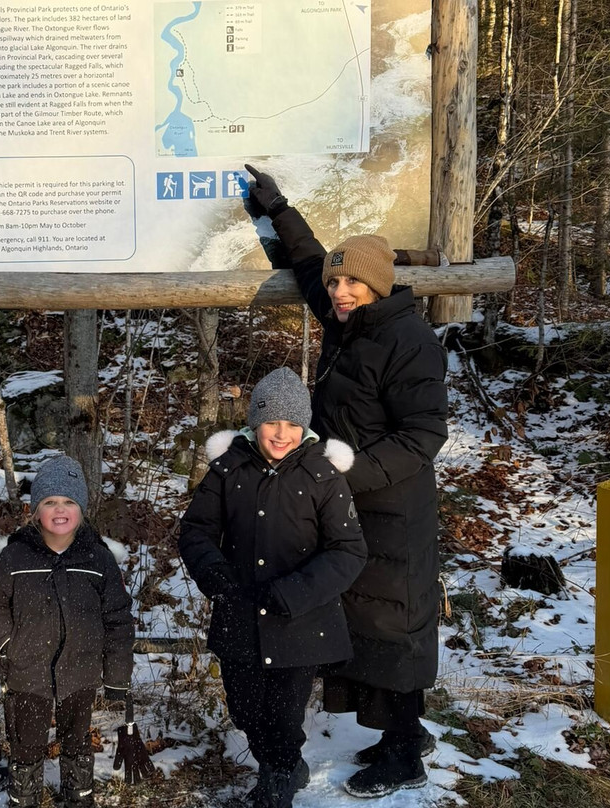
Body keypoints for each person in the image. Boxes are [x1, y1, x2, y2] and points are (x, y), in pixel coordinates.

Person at [244, 164, 449, 799]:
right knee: (366, 622)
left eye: (353, 281)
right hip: (351, 501)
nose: (340, 289)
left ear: (379, 285)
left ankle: (404, 751)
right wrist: (277, 209)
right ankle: (397, 734)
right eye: (338, 281)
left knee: (397, 622)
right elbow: (308, 262)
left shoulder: (409, 340)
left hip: (394, 503)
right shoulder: (347, 321)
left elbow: (424, 435)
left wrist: (349, 469)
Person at [179, 367, 367, 808]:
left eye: (291, 424)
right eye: (271, 422)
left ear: (304, 427)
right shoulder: (228, 470)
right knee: (245, 707)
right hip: (239, 610)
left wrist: (295, 592)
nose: (280, 434)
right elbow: (195, 531)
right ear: (253, 422)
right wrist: (216, 577)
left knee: (283, 712)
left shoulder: (324, 476)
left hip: (300, 620)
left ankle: (278, 779)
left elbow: (348, 550)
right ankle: (283, 763)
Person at [0, 455, 135, 808]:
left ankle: (78, 797)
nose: (59, 510)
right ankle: (24, 797)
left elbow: (118, 618)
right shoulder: (15, 557)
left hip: (80, 672)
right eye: (49, 502)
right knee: (26, 742)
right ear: (35, 511)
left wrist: (116, 675)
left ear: (82, 508)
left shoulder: (98, 559)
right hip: (27, 672)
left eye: (69, 502)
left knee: (77, 740)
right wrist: (6, 643)